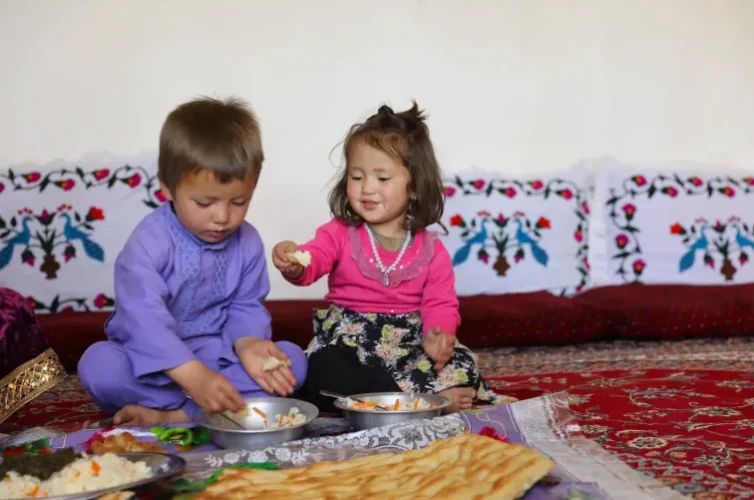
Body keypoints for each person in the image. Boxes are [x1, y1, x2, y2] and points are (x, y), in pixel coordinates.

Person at [79, 96, 307, 426]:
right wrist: (195, 378)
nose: (223, 217)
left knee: (294, 361)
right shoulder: (147, 244)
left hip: (218, 358)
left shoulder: (248, 241)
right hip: (153, 365)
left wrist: (250, 344)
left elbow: (246, 306)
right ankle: (201, 409)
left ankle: (174, 416)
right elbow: (143, 322)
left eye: (239, 202)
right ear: (167, 187)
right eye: (204, 202)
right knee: (98, 366)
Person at [272, 102, 508, 413]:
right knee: (322, 366)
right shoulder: (340, 232)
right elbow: (313, 260)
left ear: (413, 186)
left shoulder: (431, 249)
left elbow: (441, 302)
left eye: (382, 178)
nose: (367, 188)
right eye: (357, 177)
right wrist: (294, 263)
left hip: (409, 344)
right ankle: (418, 402)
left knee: (461, 361)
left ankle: (385, 400)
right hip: (351, 344)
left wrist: (439, 331)